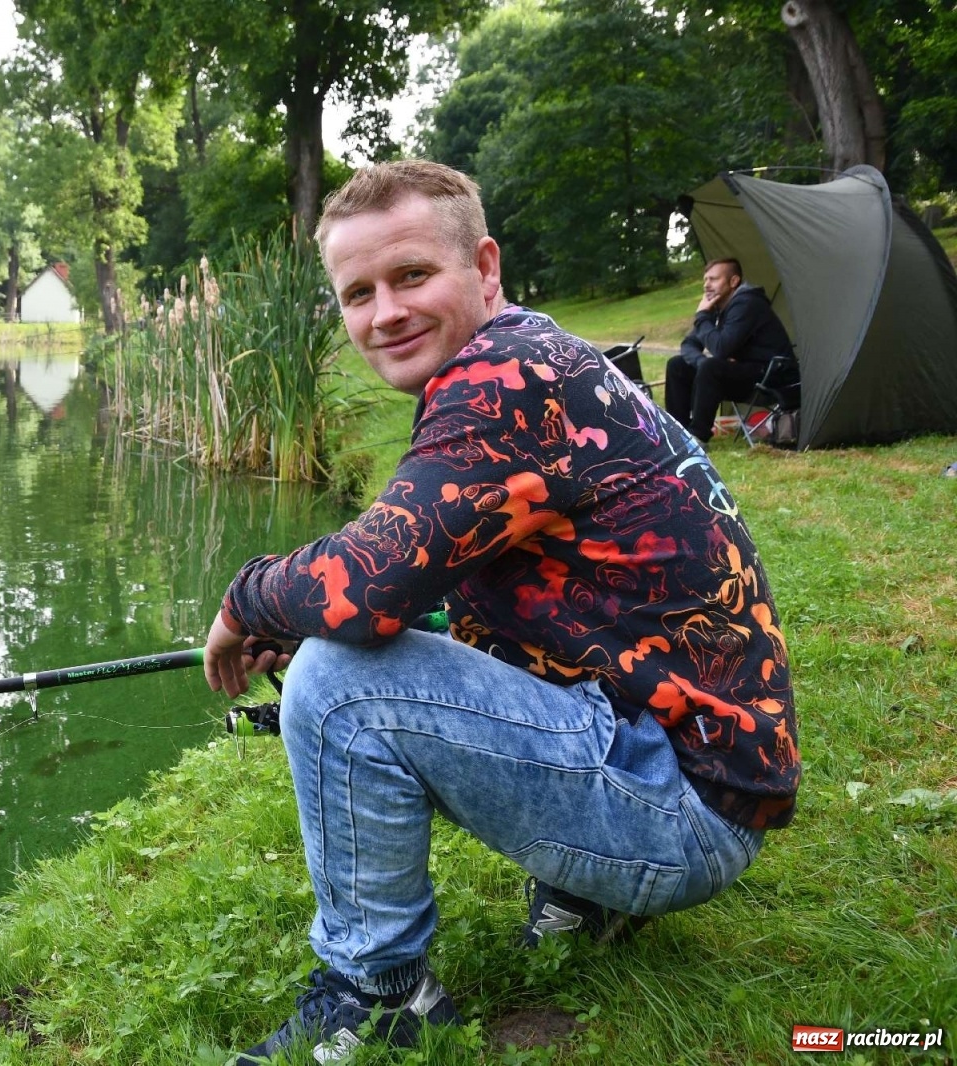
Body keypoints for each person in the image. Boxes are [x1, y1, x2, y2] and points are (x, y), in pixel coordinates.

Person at [202, 161, 798, 1064]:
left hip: (684, 812)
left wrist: (246, 600)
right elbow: (476, 592)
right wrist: (332, 616)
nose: (385, 313)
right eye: (358, 293)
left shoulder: (503, 378)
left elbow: (365, 581)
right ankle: (590, 896)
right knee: (362, 641)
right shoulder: (531, 350)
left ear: (484, 268)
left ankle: (381, 997)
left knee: (338, 683)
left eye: (411, 275)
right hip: (702, 773)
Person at [663, 258, 794, 442]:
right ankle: (678, 435)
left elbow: (721, 348)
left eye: (714, 279)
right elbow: (689, 344)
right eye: (705, 279)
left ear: (734, 281)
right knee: (677, 365)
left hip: (771, 376)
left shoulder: (747, 303)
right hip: (743, 374)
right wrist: (701, 362)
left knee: (712, 367)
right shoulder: (717, 307)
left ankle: (697, 437)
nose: (706, 285)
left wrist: (702, 316)